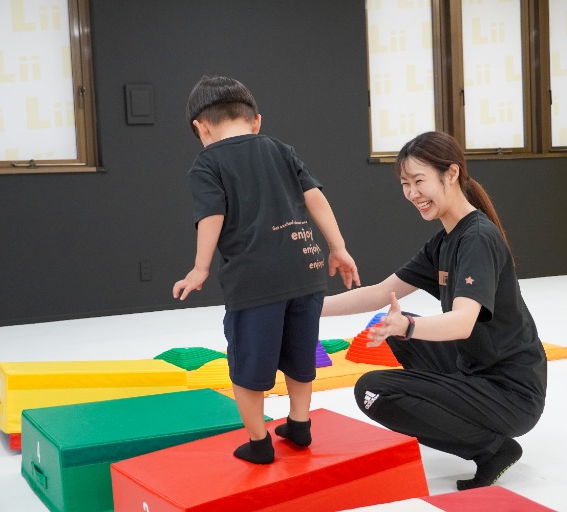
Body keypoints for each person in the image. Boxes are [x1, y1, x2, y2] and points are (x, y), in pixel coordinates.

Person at [322, 131, 546, 490]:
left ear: (451, 174)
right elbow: (380, 293)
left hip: (511, 393)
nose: (412, 193)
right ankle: (462, 416)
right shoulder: (444, 241)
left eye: (419, 181)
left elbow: (462, 322)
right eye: (405, 184)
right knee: (399, 332)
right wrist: (307, 308)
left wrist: (407, 327)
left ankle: (493, 448)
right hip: (476, 369)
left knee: (373, 390)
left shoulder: (477, 238)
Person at [173, 76, 360, 465]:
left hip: (254, 282)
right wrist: (338, 248)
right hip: (306, 270)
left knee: (248, 366)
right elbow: (315, 198)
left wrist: (200, 267)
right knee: (300, 354)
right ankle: (300, 424)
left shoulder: (207, 162)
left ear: (201, 128)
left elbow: (212, 215)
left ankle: (259, 444)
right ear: (256, 121)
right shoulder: (280, 149)